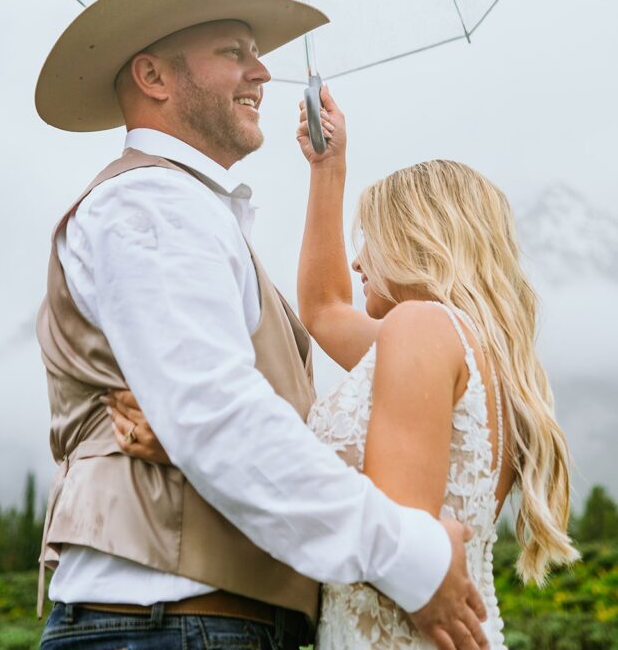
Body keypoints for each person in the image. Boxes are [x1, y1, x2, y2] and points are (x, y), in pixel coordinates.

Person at [35, 0, 488, 650]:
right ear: (153, 77)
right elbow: (214, 414)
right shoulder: (148, 203)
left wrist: (187, 443)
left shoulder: (186, 210)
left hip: (192, 625)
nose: (263, 73)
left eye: (257, 54)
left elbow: (208, 417)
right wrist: (413, 560)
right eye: (233, 52)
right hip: (167, 623)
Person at [114, 84, 578, 649]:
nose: (357, 259)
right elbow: (325, 310)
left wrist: (198, 437)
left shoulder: (423, 329)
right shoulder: (480, 353)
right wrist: (327, 167)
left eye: (370, 239)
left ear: (419, 240)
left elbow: (392, 538)